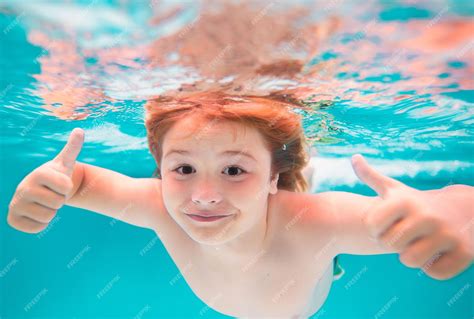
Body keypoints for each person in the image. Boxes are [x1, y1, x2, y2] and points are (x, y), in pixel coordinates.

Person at [7, 90, 473, 318]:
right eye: (183, 168)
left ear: (271, 176)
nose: (204, 195)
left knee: (303, 192)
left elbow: (462, 203)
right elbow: (81, 180)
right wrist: (49, 185)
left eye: (234, 170)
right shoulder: (159, 204)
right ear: (160, 169)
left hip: (302, 264)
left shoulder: (315, 223)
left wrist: (452, 214)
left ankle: (298, 176)